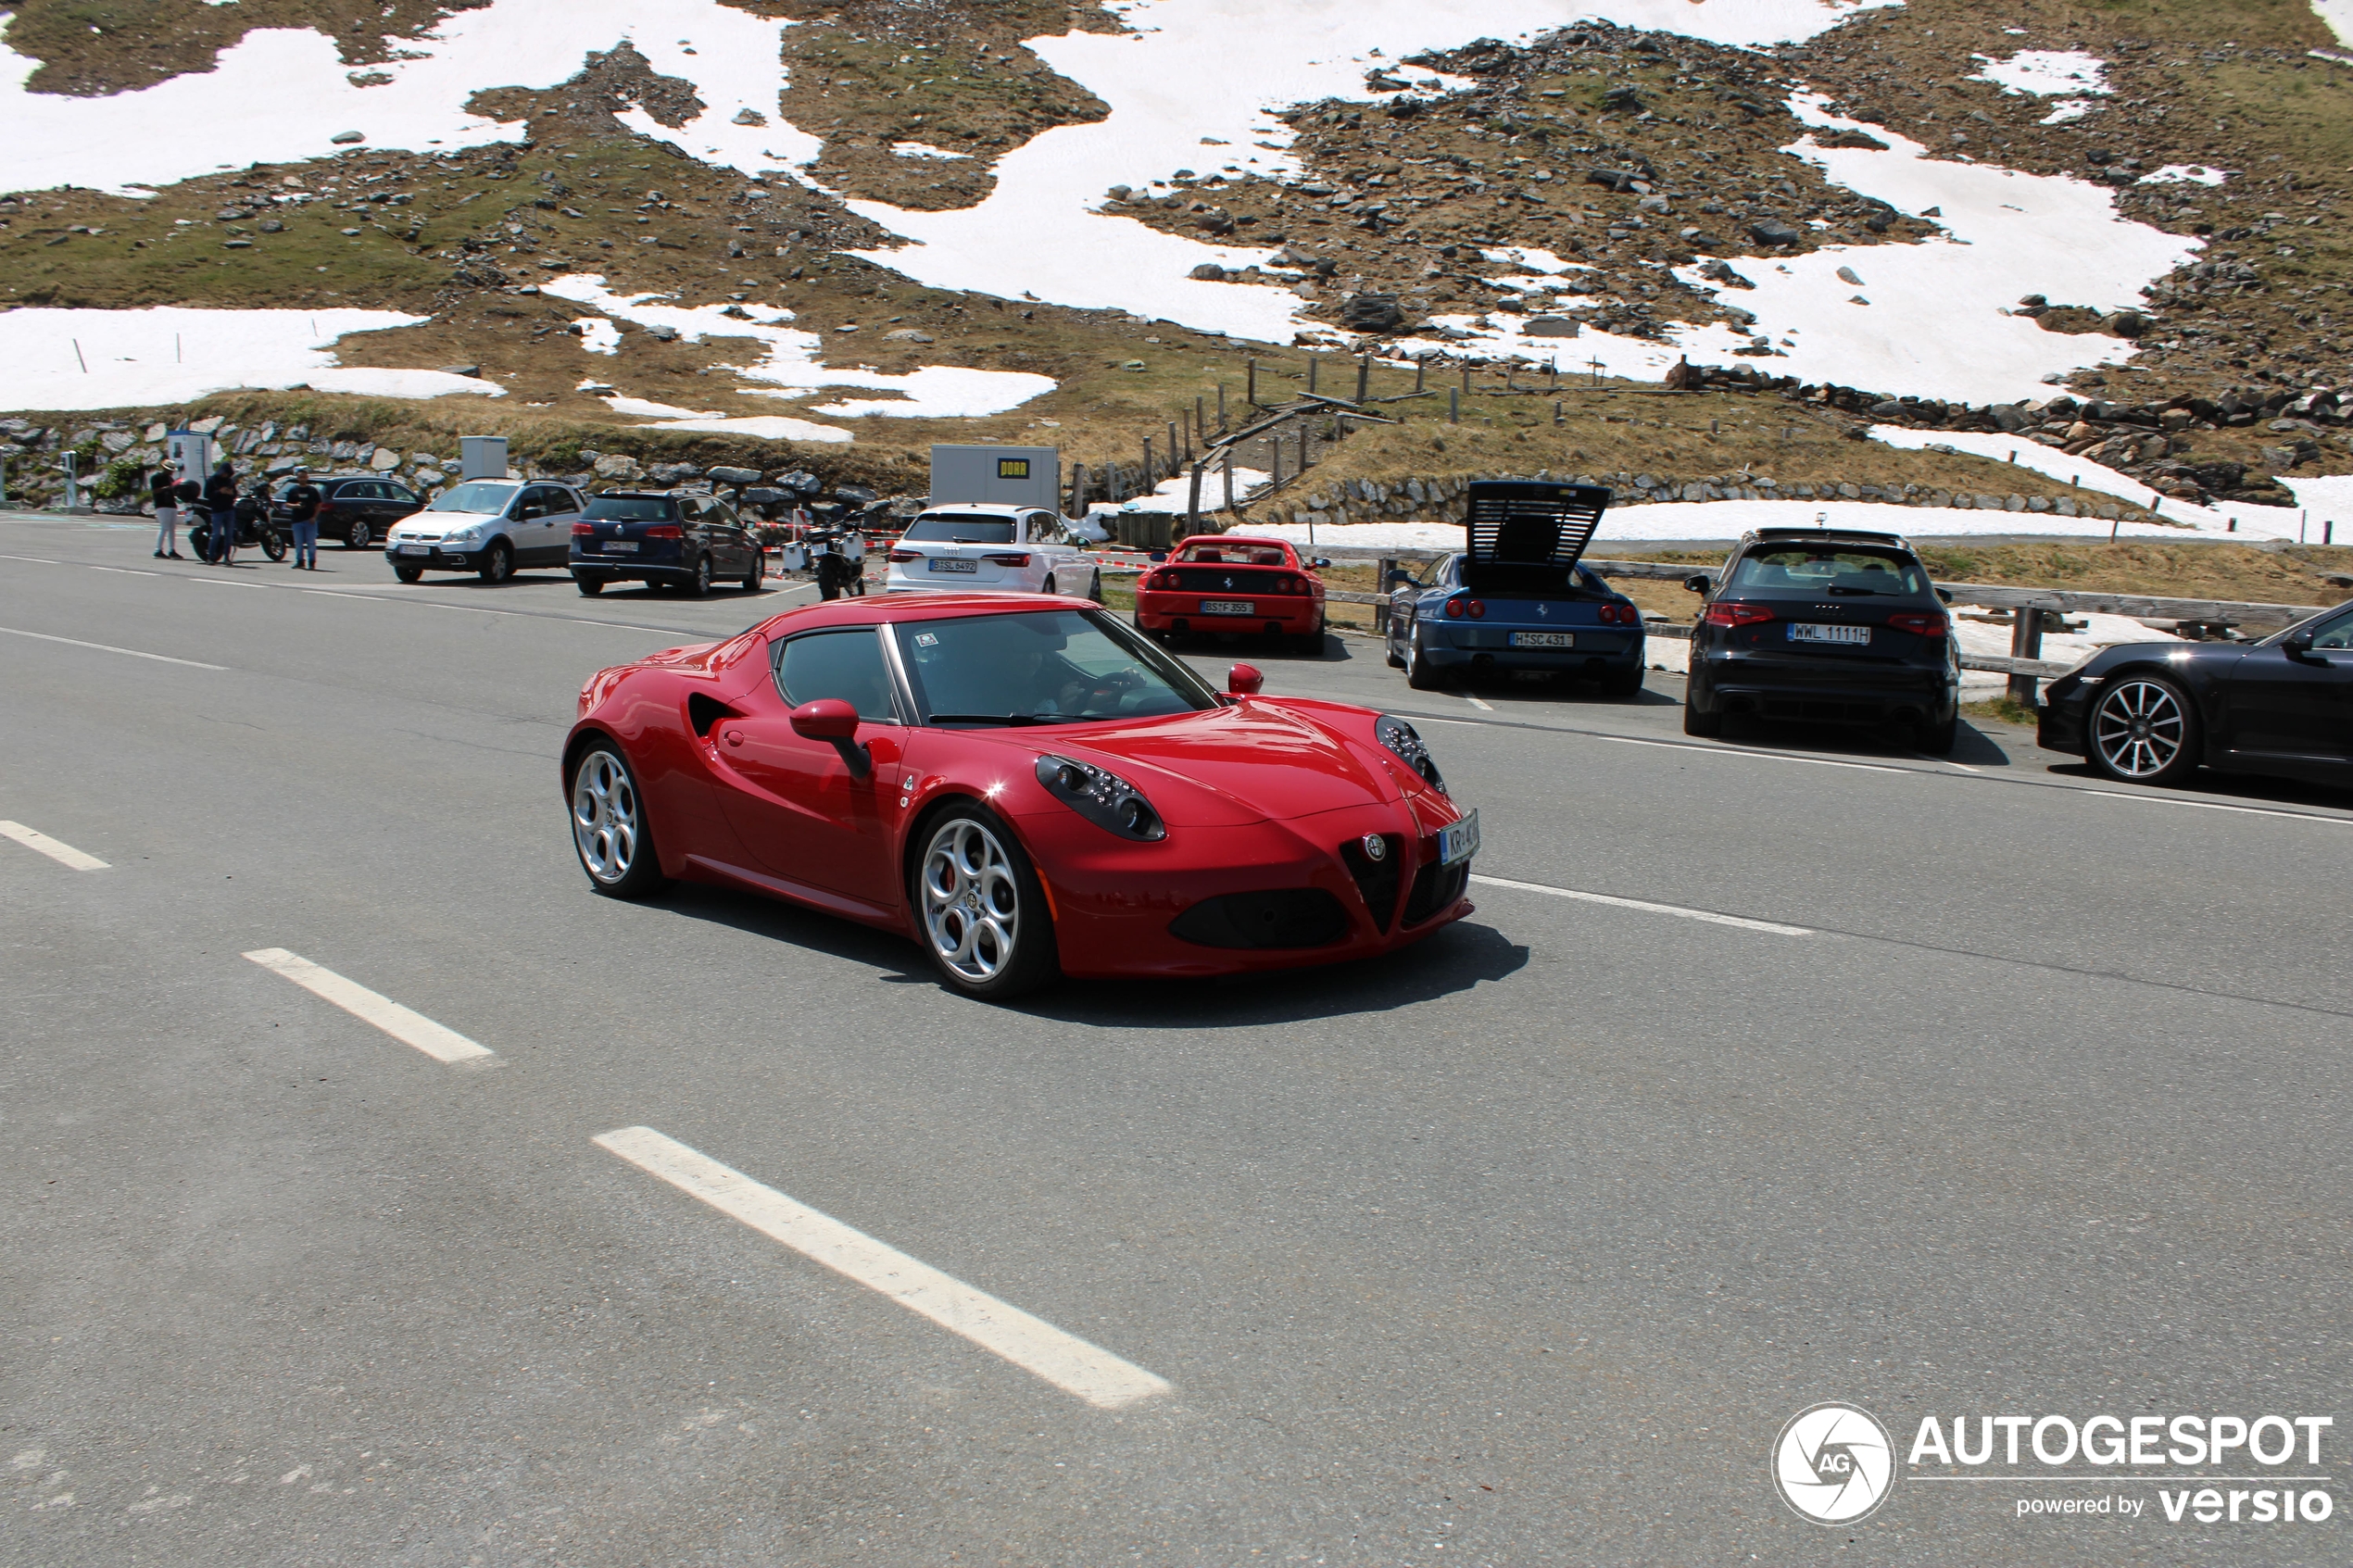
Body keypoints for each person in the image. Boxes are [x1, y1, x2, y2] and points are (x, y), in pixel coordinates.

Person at [282, 466, 321, 570]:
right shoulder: (293, 490)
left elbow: (319, 504)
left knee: (311, 542)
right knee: (298, 543)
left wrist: (314, 517)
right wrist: (296, 506)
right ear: (297, 478)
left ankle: (312, 562)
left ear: (307, 477)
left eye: (304, 477)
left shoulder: (312, 490)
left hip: (310, 521)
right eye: (300, 477)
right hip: (297, 520)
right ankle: (300, 561)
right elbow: (287, 504)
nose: (302, 479)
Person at [203, 458, 238, 563]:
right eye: (224, 473)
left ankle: (227, 557)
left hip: (229, 509)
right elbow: (207, 495)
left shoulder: (230, 481)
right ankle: (210, 556)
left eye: (227, 474)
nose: (225, 475)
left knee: (229, 535)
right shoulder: (211, 480)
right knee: (216, 534)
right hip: (217, 511)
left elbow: (235, 494)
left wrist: (231, 493)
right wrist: (219, 492)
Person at [149, 463, 182, 558]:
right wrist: (167, 488)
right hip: (161, 504)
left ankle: (172, 550)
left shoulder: (170, 479)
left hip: (172, 504)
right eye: (169, 469)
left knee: (172, 529)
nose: (171, 472)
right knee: (164, 527)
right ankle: (158, 550)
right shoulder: (156, 477)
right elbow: (155, 490)